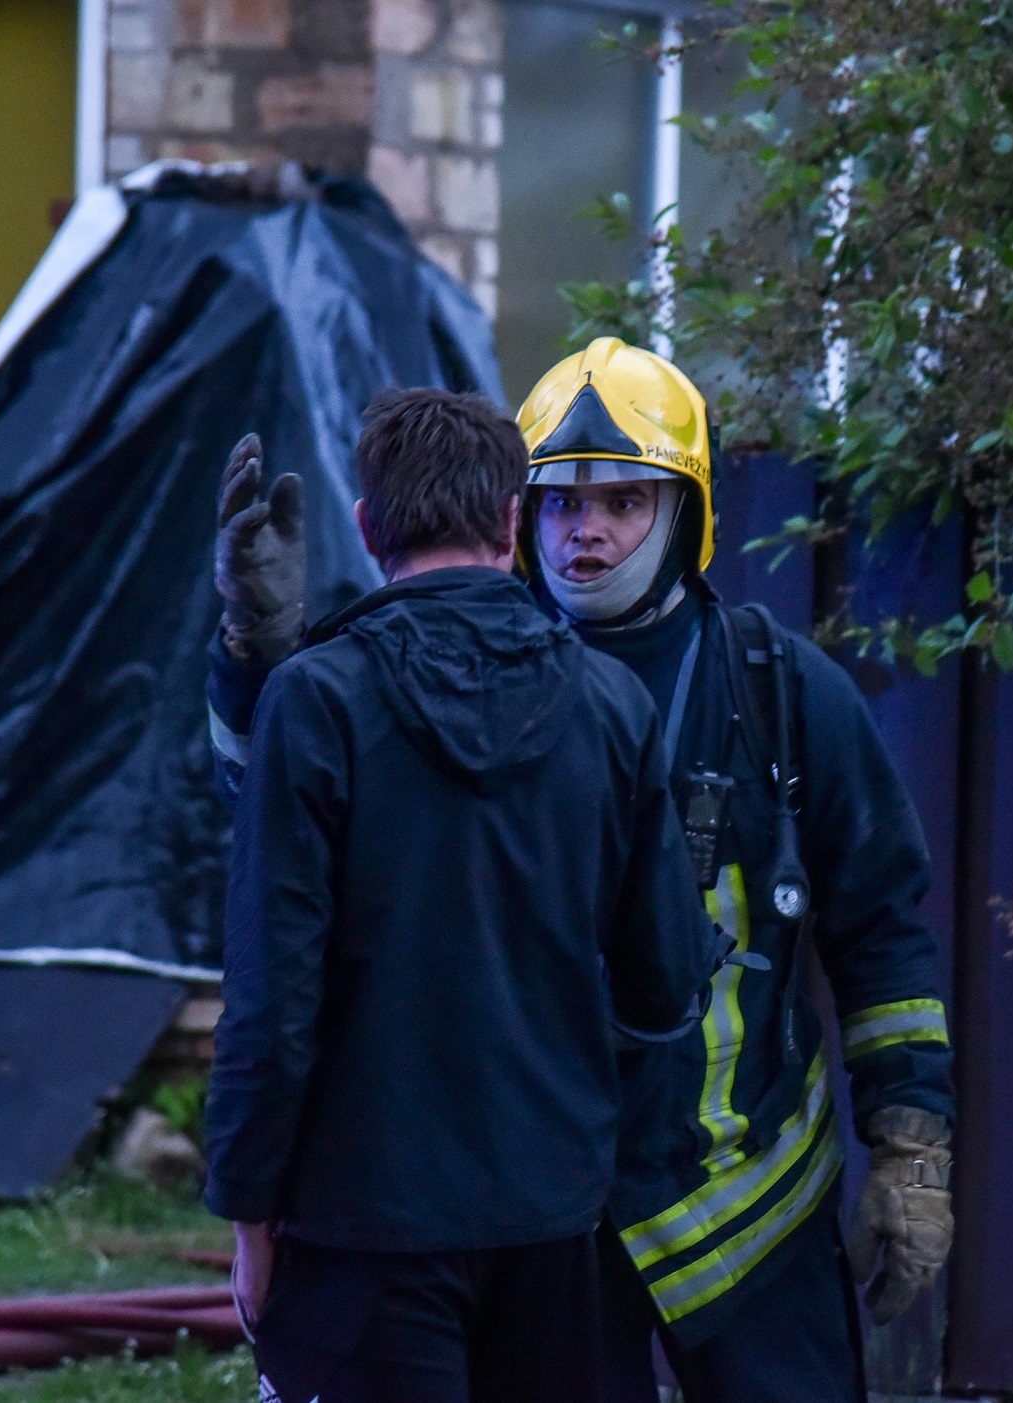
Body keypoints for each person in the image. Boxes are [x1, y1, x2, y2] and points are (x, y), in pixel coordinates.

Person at [211, 340, 956, 1403]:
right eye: (560, 502)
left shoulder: (784, 693)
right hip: (548, 1207)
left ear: (687, 512)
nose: (584, 531)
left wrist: (911, 1148)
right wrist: (256, 661)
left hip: (741, 1198)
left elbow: (883, 930)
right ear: (517, 515)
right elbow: (282, 837)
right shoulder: (450, 677)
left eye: (622, 501)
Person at [202, 387, 717, 1403]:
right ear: (514, 520)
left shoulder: (316, 698)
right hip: (554, 1223)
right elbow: (666, 983)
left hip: (361, 1227)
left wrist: (249, 1216)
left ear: (366, 527)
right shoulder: (614, 704)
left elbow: (270, 998)